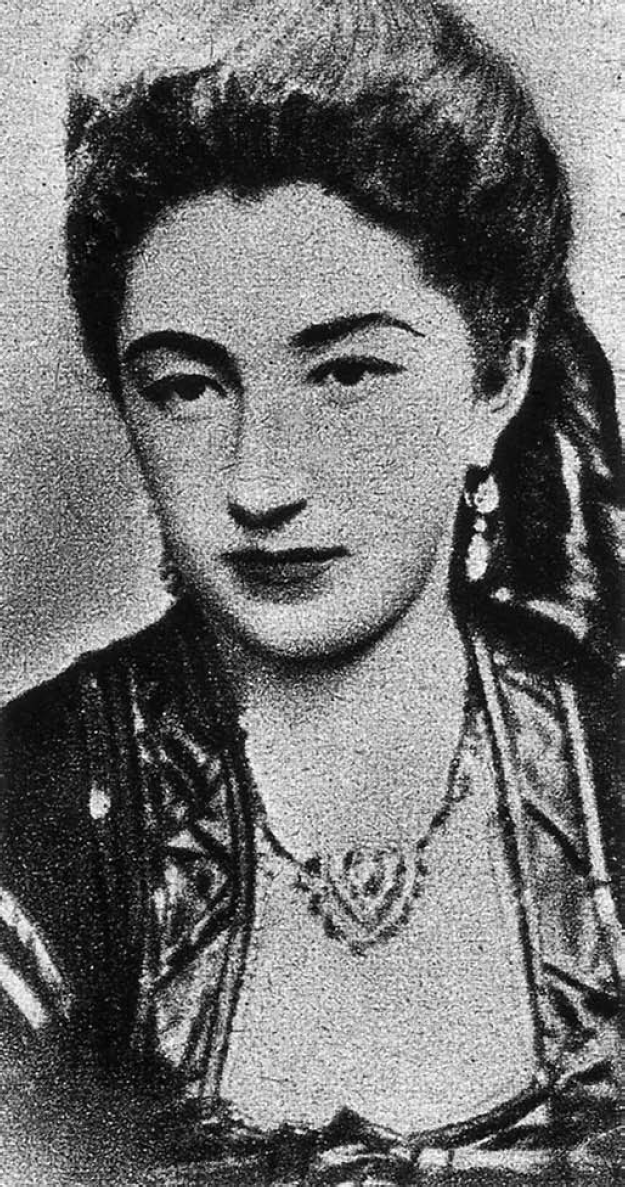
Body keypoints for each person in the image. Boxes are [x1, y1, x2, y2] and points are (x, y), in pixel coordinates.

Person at [1, 0, 621, 1182]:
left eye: (347, 373)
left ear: (497, 379)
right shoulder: (27, 820)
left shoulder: (609, 766)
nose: (260, 482)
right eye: (187, 387)